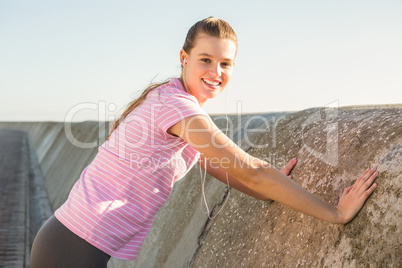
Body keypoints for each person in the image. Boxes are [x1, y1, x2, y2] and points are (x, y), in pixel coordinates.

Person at [30, 17, 378, 268]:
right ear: (185, 59)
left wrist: (274, 188)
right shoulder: (178, 108)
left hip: (68, 242)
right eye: (206, 60)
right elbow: (253, 171)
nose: (216, 72)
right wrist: (336, 212)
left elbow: (225, 170)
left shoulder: (170, 97)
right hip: (73, 249)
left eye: (226, 63)